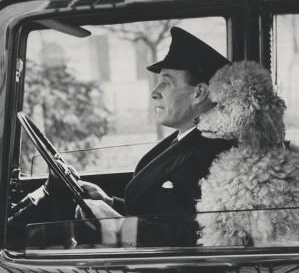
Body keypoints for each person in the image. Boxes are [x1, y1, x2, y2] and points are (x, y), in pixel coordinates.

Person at [75, 27, 233, 246]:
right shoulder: (188, 137)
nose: (154, 91)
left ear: (199, 93)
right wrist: (110, 203)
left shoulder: (219, 153)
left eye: (166, 83)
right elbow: (163, 212)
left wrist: (118, 225)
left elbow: (198, 236)